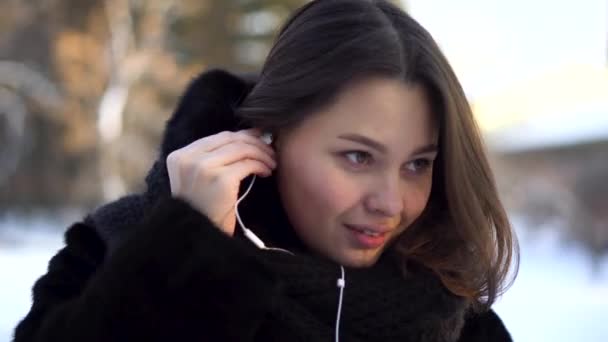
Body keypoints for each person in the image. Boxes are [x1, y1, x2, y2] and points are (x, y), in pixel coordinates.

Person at [13, 0, 518, 341]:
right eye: (358, 156)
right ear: (270, 134)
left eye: (418, 164)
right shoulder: (117, 250)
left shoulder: (450, 305)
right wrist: (183, 252)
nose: (391, 202)